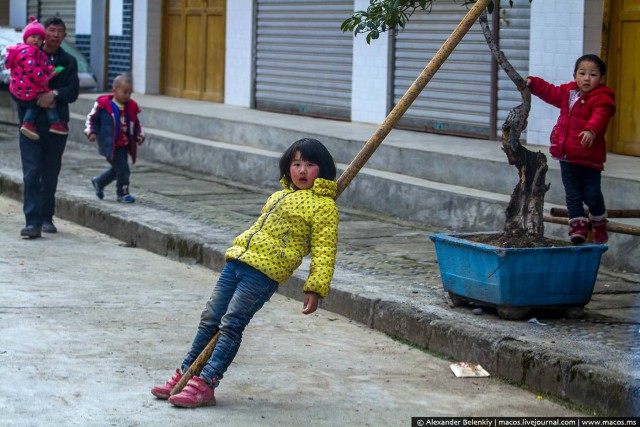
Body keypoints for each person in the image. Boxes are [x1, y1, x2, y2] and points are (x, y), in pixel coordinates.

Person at [151, 138, 340, 408]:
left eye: (310, 165)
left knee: (231, 325)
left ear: (323, 170)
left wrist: (315, 287)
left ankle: (205, 384)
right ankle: (185, 374)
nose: (301, 170)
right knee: (210, 319)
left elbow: (325, 250)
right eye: (296, 164)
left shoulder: (324, 207)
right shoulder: (278, 195)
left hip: (263, 274)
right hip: (237, 262)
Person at [526, 54, 615, 244]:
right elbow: (550, 91)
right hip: (568, 157)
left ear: (601, 79)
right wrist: (533, 83)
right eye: (582, 73)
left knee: (592, 195)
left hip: (589, 159)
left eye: (593, 74)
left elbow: (600, 116)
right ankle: (578, 227)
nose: (587, 78)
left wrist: (591, 130)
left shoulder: (602, 98)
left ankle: (599, 222)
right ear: (574, 75)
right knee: (573, 195)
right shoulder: (568, 94)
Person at [17, 16, 79, 238]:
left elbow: (73, 92)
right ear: (43, 33)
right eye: (50, 30)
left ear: (64, 36)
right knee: (32, 173)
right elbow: (16, 88)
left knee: (50, 173)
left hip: (57, 127)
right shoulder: (27, 54)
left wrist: (53, 94)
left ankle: (46, 217)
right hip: (30, 126)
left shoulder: (69, 62)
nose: (54, 35)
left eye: (59, 31)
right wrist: (37, 98)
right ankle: (32, 222)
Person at [4, 16, 68, 141]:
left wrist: (51, 70)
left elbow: (43, 63)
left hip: (27, 87)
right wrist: (44, 78)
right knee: (43, 99)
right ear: (26, 38)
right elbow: (32, 68)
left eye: (39, 38)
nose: (36, 40)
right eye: (33, 37)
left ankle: (50, 123)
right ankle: (33, 123)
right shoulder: (25, 52)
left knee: (43, 99)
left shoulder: (36, 52)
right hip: (25, 88)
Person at [84, 74, 145, 203]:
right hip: (110, 144)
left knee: (118, 169)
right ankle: (122, 193)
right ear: (115, 90)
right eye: (124, 92)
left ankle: (99, 182)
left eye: (129, 92)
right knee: (123, 170)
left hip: (124, 144)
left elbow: (136, 123)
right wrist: (91, 132)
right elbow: (92, 119)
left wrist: (139, 135)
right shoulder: (104, 105)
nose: (127, 95)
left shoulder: (131, 107)